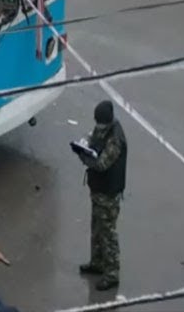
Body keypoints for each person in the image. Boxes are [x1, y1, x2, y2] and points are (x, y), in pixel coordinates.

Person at [77, 99, 127, 291]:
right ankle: (97, 262)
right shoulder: (104, 129)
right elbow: (92, 136)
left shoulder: (115, 139)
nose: (97, 125)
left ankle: (112, 273)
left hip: (108, 193)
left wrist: (84, 156)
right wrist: (84, 144)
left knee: (108, 234)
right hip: (99, 191)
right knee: (97, 228)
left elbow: (102, 164)